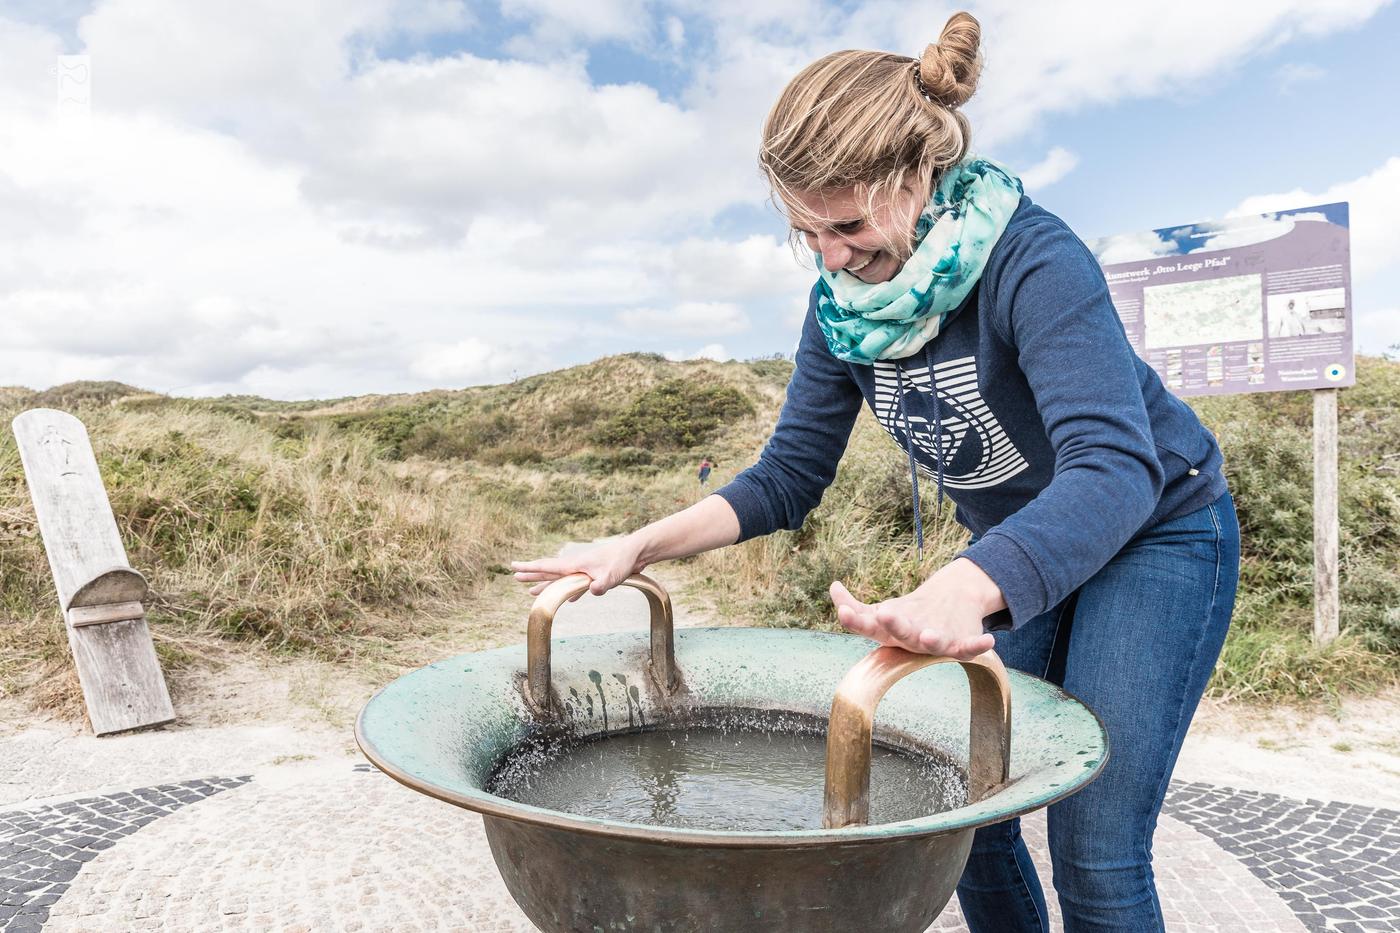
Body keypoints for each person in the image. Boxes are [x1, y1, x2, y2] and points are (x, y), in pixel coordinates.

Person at [513, 12, 1238, 932]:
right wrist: (639, 544)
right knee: (965, 817)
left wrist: (963, 585)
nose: (830, 256)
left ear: (918, 173)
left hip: (1156, 532)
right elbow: (786, 476)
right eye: (805, 231)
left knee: (1096, 849)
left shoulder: (1035, 261)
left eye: (848, 224)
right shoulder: (843, 310)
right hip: (1018, 544)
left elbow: (1114, 467)